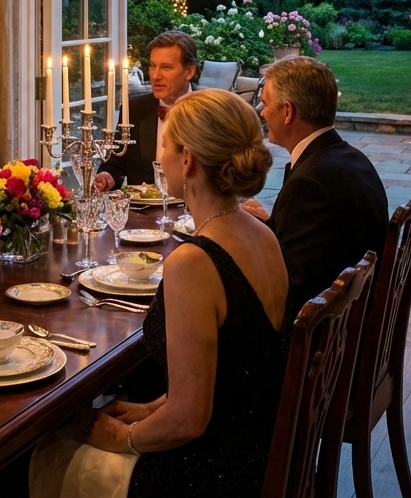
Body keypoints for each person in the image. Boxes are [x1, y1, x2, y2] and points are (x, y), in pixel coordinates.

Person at [32, 90, 287, 497]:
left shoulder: (194, 262)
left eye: (166, 145)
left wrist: (120, 438)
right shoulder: (262, 234)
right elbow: (233, 367)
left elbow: (188, 421)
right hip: (259, 445)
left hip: (212, 473)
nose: (161, 154)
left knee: (44, 451)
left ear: (187, 161)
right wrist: (148, 409)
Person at [254, 55, 389, 323]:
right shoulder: (349, 157)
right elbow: (317, 245)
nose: (262, 111)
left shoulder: (310, 182)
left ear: (288, 111)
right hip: (355, 320)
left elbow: (291, 286)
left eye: (266, 103)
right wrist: (269, 225)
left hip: (318, 339)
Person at [95, 31, 197, 192]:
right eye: (152, 65)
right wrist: (107, 176)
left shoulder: (211, 110)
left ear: (189, 71)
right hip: (144, 213)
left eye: (166, 67)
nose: (155, 76)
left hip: (195, 212)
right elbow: (114, 164)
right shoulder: (134, 110)